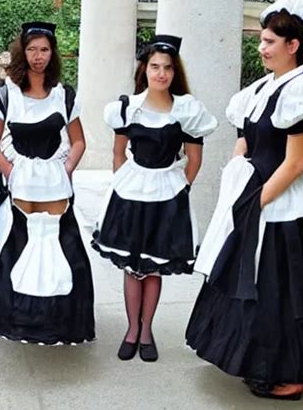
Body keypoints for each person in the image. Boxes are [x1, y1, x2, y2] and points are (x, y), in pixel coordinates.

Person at [186, 0, 303, 399]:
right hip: (256, 195)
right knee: (253, 283)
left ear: (294, 46)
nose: (262, 48)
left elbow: (294, 164)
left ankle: (292, 374)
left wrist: (253, 205)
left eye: (270, 42)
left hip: (285, 205)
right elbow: (246, 143)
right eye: (261, 40)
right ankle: (259, 361)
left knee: (285, 288)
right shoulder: (258, 90)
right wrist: (235, 192)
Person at [92, 35, 217, 362]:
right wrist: (123, 184)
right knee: (132, 267)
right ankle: (132, 329)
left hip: (168, 195)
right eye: (155, 67)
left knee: (154, 268)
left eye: (167, 68)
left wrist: (179, 190)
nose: (161, 74)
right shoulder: (126, 108)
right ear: (144, 69)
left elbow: (195, 160)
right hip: (131, 193)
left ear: (175, 73)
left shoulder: (187, 111)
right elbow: (118, 154)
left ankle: (147, 331)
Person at [0, 21, 95, 344]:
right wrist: (12, 172)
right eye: (32, 49)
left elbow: (78, 142)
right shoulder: (6, 95)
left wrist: (66, 169)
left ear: (52, 53)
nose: (38, 56)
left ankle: (64, 323)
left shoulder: (64, 94)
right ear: (22, 52)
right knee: (19, 251)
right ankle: (16, 320)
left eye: (44, 50)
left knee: (64, 251)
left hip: (55, 184)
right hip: (22, 186)